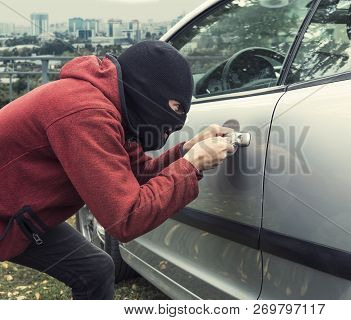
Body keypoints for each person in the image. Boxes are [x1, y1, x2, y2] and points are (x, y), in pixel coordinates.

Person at [0, 40, 234, 299]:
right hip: (8, 212)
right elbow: (126, 219)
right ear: (149, 89)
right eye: (176, 107)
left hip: (18, 212)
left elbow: (138, 174)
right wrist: (192, 166)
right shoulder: (86, 112)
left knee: (94, 269)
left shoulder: (114, 107)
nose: (179, 119)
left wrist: (187, 151)